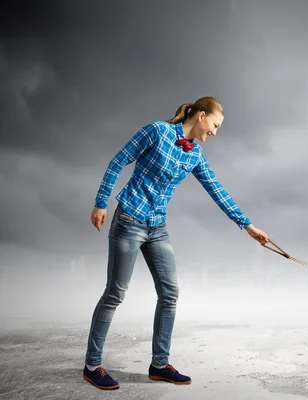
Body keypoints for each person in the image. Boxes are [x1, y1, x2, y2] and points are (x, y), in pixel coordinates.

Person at [83, 97, 270, 390]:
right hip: (129, 220)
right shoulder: (156, 131)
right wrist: (100, 202)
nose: (216, 132)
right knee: (115, 294)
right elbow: (119, 159)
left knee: (170, 293)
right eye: (215, 125)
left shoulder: (194, 154)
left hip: (157, 227)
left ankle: (159, 365)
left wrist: (247, 226)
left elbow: (217, 191)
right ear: (201, 116)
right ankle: (92, 366)